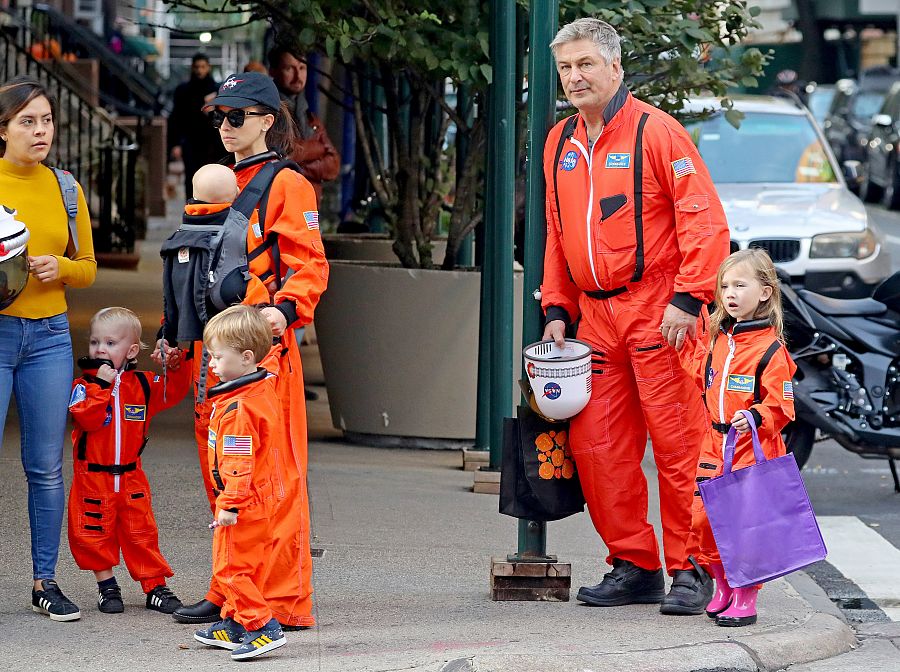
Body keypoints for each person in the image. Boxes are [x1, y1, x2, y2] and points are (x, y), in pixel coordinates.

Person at [540, 19, 730, 614]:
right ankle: (634, 564)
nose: (575, 77)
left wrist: (690, 298)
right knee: (597, 447)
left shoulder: (657, 132)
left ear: (615, 67)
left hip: (662, 312)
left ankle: (693, 568)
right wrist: (557, 306)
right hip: (595, 319)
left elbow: (703, 220)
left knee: (680, 447)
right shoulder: (559, 142)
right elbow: (557, 233)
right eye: (566, 67)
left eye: (586, 64)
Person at [169, 72, 328, 630]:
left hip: (262, 353)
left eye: (237, 116)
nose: (226, 126)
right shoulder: (217, 179)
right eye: (220, 116)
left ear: (267, 120)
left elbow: (310, 263)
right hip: (216, 353)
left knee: (273, 478)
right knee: (226, 474)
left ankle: (281, 601)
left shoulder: (288, 183)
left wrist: (283, 311)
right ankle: (229, 588)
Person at [0, 75, 96, 621]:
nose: (41, 131)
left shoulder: (65, 187)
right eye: (27, 122)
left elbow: (88, 267)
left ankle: (45, 581)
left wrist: (59, 267)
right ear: (3, 129)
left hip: (50, 337)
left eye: (47, 121)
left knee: (46, 467)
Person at [675, 249, 796, 627]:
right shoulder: (719, 340)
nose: (730, 293)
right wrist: (683, 344)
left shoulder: (771, 349)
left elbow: (782, 406)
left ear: (765, 292)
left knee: (745, 527)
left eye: (740, 285)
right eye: (725, 286)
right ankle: (724, 586)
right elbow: (702, 374)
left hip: (750, 449)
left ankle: (746, 595)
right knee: (705, 521)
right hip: (714, 445)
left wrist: (756, 416)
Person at [67, 307, 191, 614]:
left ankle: (155, 586)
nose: (100, 349)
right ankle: (106, 585)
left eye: (110, 343)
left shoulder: (144, 385)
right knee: (93, 533)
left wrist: (177, 366)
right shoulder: (83, 386)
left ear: (132, 350)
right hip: (93, 478)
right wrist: (102, 386)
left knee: (141, 533)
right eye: (95, 341)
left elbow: (174, 392)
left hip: (131, 478)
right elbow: (87, 418)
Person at [193, 305, 299, 660]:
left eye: (217, 356)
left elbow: (238, 464)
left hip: (244, 503)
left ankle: (261, 625)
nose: (211, 364)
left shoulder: (239, 409)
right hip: (259, 500)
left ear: (247, 357)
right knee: (247, 566)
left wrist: (229, 505)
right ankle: (235, 622)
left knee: (230, 568)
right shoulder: (260, 390)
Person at [268, 46, 340, 202]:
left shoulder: (309, 116)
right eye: (289, 68)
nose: (298, 76)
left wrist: (296, 162)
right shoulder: (268, 114)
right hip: (281, 204)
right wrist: (317, 149)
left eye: (302, 68)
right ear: (273, 71)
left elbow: (333, 166)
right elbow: (279, 158)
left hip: (309, 206)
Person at [168, 53, 226, 199]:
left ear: (208, 67)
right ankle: (192, 207)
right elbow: (176, 118)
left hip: (212, 142)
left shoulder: (217, 90)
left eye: (203, 67)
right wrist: (176, 143)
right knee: (191, 177)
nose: (200, 70)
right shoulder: (183, 90)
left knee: (211, 178)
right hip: (190, 141)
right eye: (197, 67)